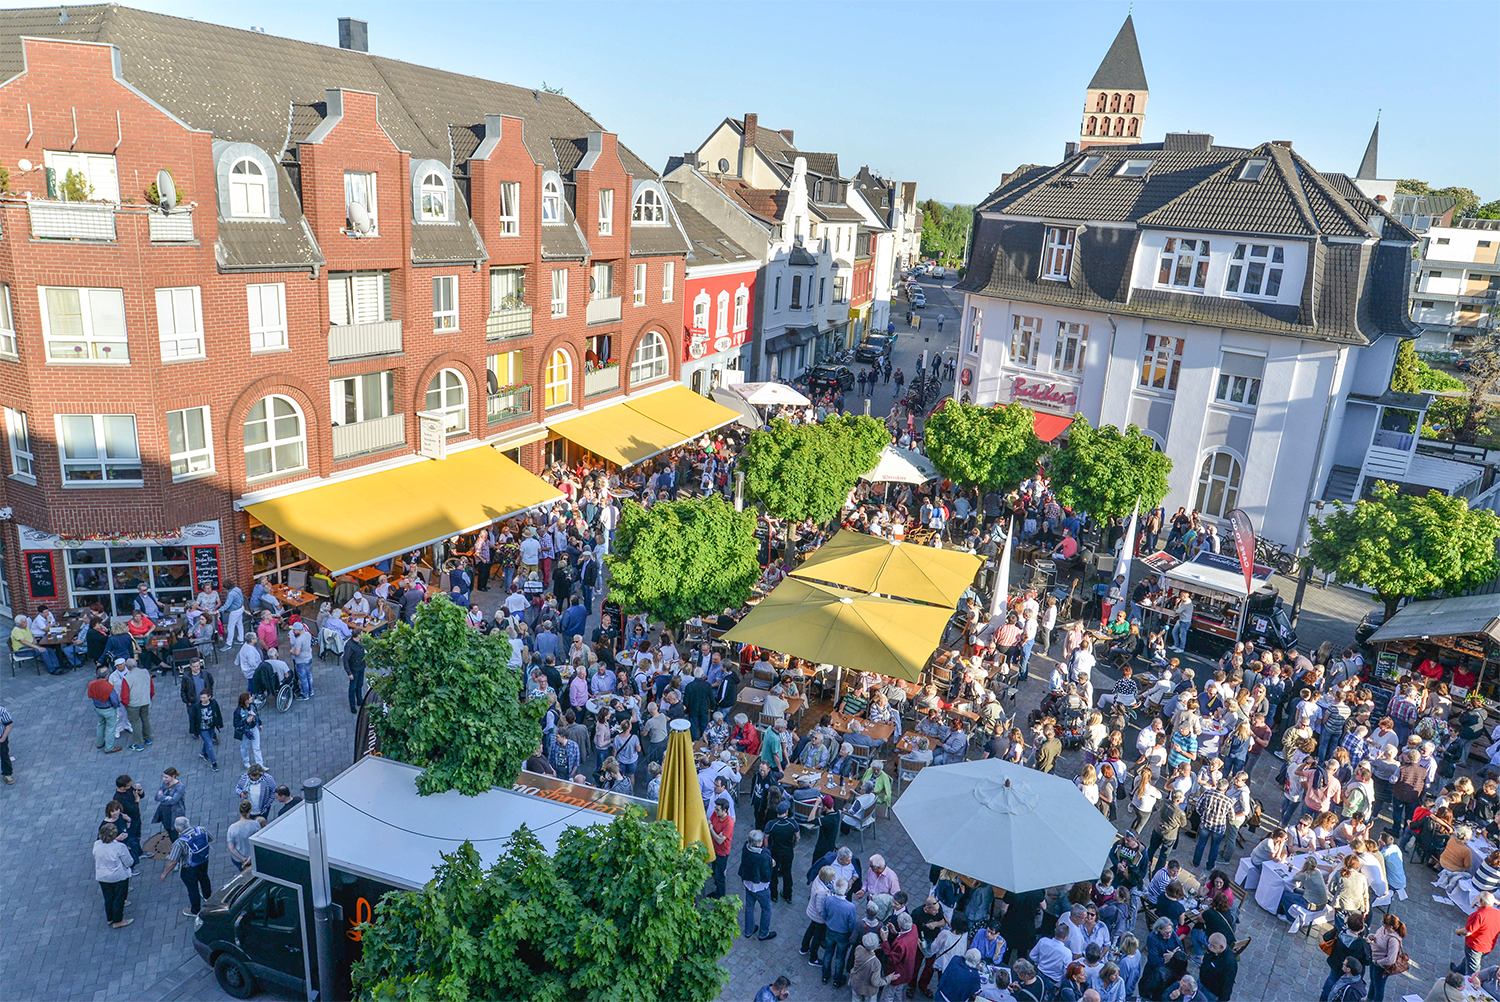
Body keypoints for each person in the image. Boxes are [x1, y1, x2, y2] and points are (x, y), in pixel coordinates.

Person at [161, 815, 214, 917]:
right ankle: (208, 897)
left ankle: (195, 910)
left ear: (177, 829)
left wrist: (165, 873)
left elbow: (173, 862)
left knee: (192, 889)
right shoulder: (201, 830)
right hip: (203, 861)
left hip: (189, 869)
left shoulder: (179, 843)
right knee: (204, 878)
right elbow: (211, 839)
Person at [93, 823, 135, 929]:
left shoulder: (97, 844)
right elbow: (129, 862)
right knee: (119, 898)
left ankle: (110, 918)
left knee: (108, 897)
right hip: (118, 876)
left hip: (102, 876)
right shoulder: (119, 847)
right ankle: (118, 920)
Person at [739, 830, 777, 942]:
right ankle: (763, 933)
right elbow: (766, 874)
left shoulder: (745, 848)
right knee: (766, 909)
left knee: (749, 907)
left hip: (748, 883)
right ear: (758, 843)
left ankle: (749, 930)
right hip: (760, 887)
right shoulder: (763, 856)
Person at [1458, 891, 1500, 975]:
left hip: (1475, 946)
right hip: (1488, 946)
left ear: (1480, 901)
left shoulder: (1479, 915)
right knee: (1469, 959)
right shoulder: (1497, 913)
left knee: (1473, 970)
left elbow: (1468, 932)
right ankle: (1458, 971)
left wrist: (1458, 931)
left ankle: (1470, 984)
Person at [1369, 913, 1406, 1002]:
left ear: (1390, 926)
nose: (1382, 922)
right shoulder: (1383, 929)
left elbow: (1390, 960)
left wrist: (1378, 962)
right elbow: (1379, 936)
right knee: (1373, 980)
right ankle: (1369, 998)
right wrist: (1373, 936)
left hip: (1381, 967)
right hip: (1374, 958)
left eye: (1384, 922)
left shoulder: (1393, 940)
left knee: (1379, 987)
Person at [802, 864, 835, 961]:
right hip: (819, 917)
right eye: (832, 876)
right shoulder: (822, 892)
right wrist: (827, 919)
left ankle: (804, 948)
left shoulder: (818, 879)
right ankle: (813, 958)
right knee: (817, 937)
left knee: (811, 929)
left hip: (813, 913)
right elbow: (820, 909)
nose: (834, 878)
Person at [189, 689, 223, 771]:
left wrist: (220, 723)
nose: (202, 700)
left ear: (209, 697)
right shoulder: (197, 707)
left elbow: (218, 713)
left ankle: (203, 753)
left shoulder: (213, 703)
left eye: (204, 698)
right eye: (201, 698)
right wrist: (192, 730)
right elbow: (192, 719)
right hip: (202, 729)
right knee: (209, 745)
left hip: (211, 727)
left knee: (207, 741)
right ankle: (214, 763)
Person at [851, 931, 889, 1002]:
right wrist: (888, 979)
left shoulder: (858, 949)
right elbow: (876, 982)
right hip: (869, 990)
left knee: (856, 999)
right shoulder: (876, 963)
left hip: (857, 983)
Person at [708, 797, 733, 897]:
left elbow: (719, 840)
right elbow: (710, 821)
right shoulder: (716, 814)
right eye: (715, 809)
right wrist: (715, 832)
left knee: (720, 876)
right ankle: (717, 885)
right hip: (714, 848)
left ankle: (720, 894)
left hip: (722, 852)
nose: (715, 811)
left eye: (718, 809)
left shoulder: (729, 823)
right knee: (715, 870)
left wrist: (711, 830)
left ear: (725, 810)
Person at [226, 801, 260, 872]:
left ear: (239, 811)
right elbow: (258, 842)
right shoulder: (255, 824)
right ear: (250, 811)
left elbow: (231, 848)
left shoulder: (232, 828)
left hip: (238, 859)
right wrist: (250, 858)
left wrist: (243, 859)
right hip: (253, 856)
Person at [233, 691, 263, 768]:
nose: (251, 698)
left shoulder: (252, 705)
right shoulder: (238, 711)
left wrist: (259, 723)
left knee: (257, 747)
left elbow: (257, 714)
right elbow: (236, 724)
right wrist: (246, 721)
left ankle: (260, 765)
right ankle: (246, 762)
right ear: (245, 700)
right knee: (244, 747)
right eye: (249, 697)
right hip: (244, 731)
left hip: (253, 727)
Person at [344, 632, 367, 714]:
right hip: (354, 669)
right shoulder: (349, 646)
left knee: (360, 684)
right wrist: (349, 673)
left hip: (361, 667)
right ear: (358, 635)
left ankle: (359, 700)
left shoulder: (360, 642)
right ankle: (352, 705)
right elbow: (346, 660)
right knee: (352, 688)